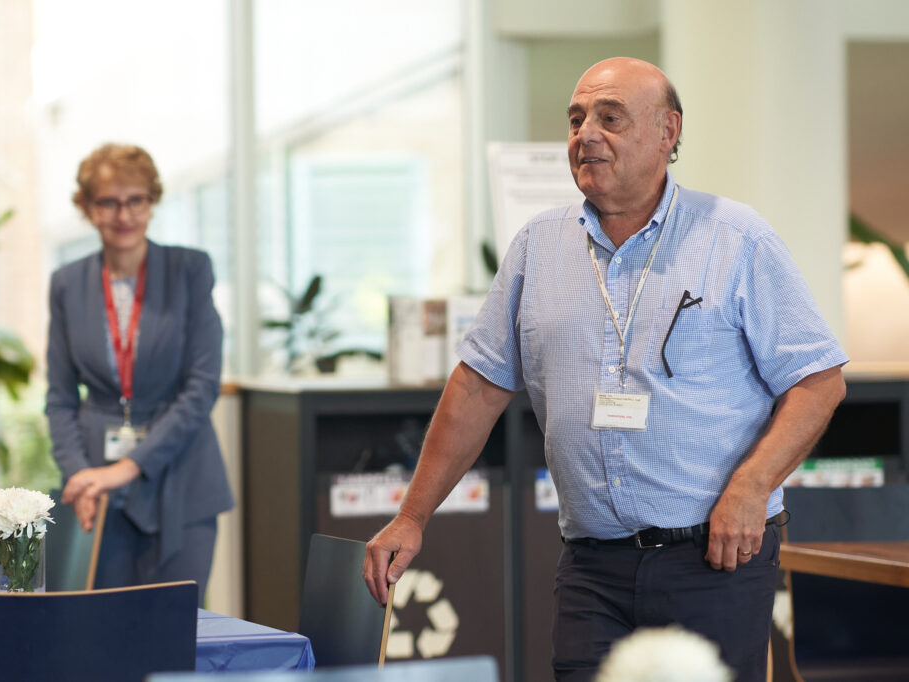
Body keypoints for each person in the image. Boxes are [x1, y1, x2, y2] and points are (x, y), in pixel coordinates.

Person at [363, 58, 848, 681]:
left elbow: (818, 380)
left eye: (610, 118)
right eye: (576, 119)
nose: (586, 133)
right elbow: (478, 387)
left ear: (668, 131)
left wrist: (752, 488)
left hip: (714, 560)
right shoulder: (538, 247)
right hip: (592, 568)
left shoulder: (737, 238)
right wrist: (412, 515)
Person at [46, 143, 233, 602]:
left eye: (136, 200)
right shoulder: (68, 283)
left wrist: (128, 467)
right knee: (100, 637)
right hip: (97, 488)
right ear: (87, 208)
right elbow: (60, 398)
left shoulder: (190, 269)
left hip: (182, 477)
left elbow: (202, 387)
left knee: (175, 636)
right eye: (107, 201)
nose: (123, 214)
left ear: (152, 203)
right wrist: (81, 478)